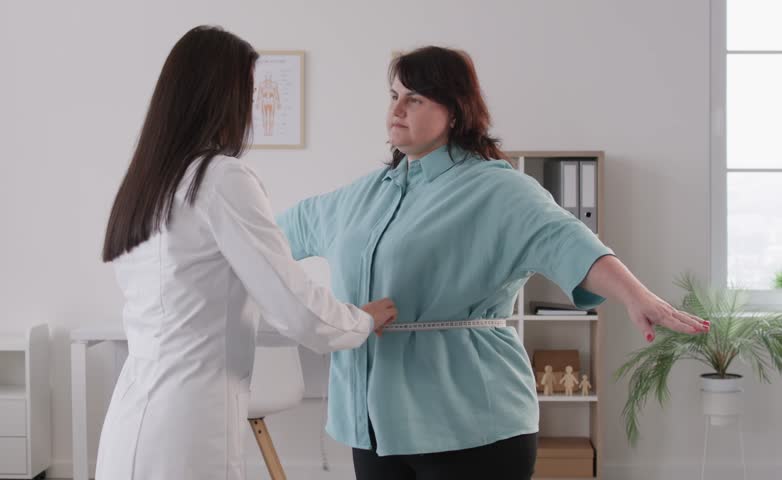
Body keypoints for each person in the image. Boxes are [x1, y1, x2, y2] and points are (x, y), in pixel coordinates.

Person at [276, 46, 709, 480]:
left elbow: (570, 242)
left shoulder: (498, 190)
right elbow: (269, 240)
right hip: (372, 427)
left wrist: (636, 296)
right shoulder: (360, 196)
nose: (398, 109)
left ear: (454, 111)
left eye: (416, 99)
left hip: (470, 423)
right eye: (394, 96)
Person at [94, 26, 397, 480]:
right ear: (221, 98)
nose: (252, 108)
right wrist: (361, 321)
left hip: (131, 418)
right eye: (249, 94)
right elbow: (294, 307)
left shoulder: (147, 184)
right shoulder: (221, 178)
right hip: (187, 424)